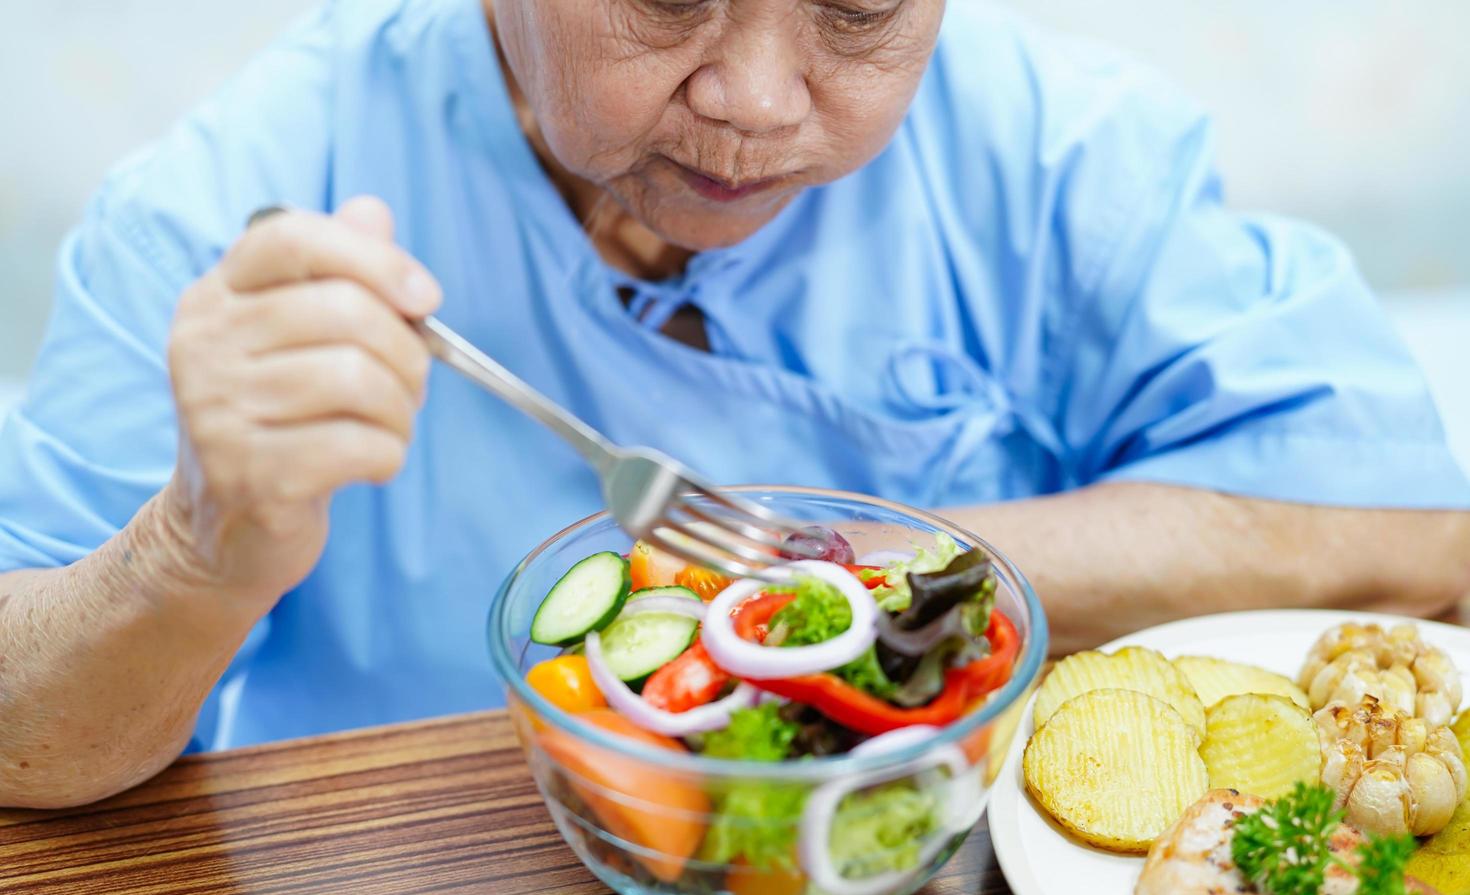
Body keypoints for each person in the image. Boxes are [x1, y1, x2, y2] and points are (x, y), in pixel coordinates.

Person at [1, 0, 1467, 809]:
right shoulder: (222, 204)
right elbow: (23, 737)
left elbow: (1410, 542)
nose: (761, 98)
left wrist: (836, 577)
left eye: (856, 8)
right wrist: (192, 557)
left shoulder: (1059, 157)